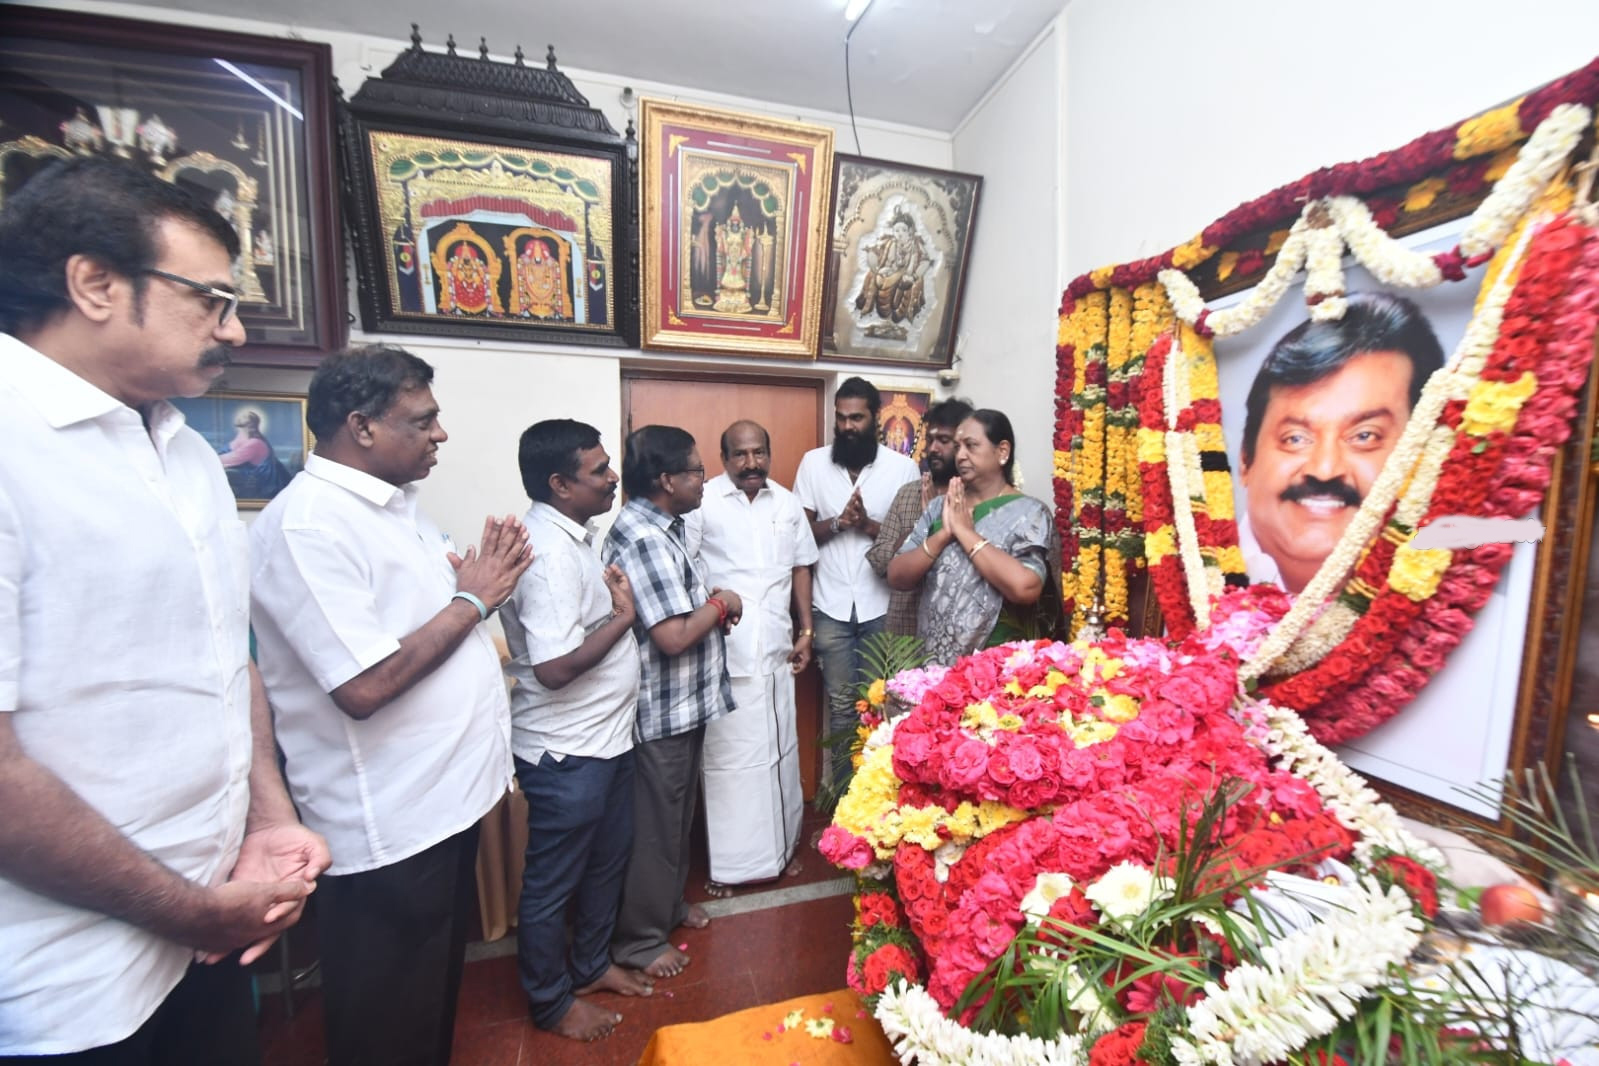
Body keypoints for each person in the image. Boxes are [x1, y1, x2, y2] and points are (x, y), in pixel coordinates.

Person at [0, 157, 329, 1062]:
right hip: (63, 979)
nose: (234, 328)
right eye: (210, 299)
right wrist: (187, 908)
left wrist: (266, 820)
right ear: (95, 284)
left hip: (210, 925)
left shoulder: (184, 451)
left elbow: (228, 660)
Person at [249, 345, 532, 1066]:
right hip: (389, 825)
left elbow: (424, 623)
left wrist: (467, 591)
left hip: (441, 805)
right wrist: (474, 599)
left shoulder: (396, 508)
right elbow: (364, 685)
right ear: (362, 426)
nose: (440, 434)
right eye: (423, 420)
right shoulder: (309, 525)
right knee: (387, 1022)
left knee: (427, 1004)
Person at [499, 419, 652, 1043]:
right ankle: (549, 1000)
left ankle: (589, 967)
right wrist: (623, 618)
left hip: (605, 742)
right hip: (568, 753)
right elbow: (555, 668)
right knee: (552, 884)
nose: (613, 478)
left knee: (605, 867)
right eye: (599, 470)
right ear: (560, 484)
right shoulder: (549, 554)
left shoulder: (574, 537)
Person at [603, 426, 740, 980]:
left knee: (677, 815)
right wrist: (723, 603)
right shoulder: (645, 539)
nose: (705, 480)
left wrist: (709, 605)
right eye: (697, 471)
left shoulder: (669, 527)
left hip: (684, 702)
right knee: (656, 826)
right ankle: (638, 940)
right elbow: (673, 636)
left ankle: (668, 908)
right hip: (662, 709)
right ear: (666, 480)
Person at [685, 420, 818, 896]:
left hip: (777, 653)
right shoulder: (702, 502)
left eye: (759, 452)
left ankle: (782, 851)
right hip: (725, 655)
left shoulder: (785, 503)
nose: (751, 463)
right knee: (730, 764)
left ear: (769, 453)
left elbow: (800, 567)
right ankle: (730, 867)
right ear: (723, 459)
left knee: (779, 756)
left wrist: (806, 631)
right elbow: (686, 567)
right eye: (740, 454)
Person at [1239, 292, 1445, 593]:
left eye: (1365, 436)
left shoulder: (1477, 611)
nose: (1324, 470)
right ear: (1246, 459)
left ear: (1423, 457)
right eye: (1296, 438)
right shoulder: (1189, 584)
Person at [793, 377, 919, 795]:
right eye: (841, 418)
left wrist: (866, 525)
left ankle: (878, 805)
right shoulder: (813, 464)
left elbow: (913, 543)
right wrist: (837, 523)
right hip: (830, 608)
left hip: (883, 607)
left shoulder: (902, 469)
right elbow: (797, 537)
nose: (847, 426)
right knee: (842, 709)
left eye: (857, 418)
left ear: (875, 419)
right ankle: (844, 803)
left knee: (883, 708)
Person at [888, 410, 1057, 665]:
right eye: (958, 447)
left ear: (1002, 451)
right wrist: (943, 534)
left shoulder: (1030, 513)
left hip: (996, 667)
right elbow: (897, 575)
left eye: (971, 445)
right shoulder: (939, 507)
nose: (960, 455)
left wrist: (965, 532)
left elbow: (1026, 587)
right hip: (933, 665)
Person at [867, 398, 974, 637]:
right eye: (930, 439)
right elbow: (878, 559)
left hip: (958, 634)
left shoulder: (975, 498)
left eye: (943, 441)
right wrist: (923, 523)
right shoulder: (909, 494)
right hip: (905, 632)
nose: (933, 448)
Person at [854, 210, 929, 325]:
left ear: (909, 231)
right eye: (896, 230)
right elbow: (874, 252)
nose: (900, 233)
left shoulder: (916, 245)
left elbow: (925, 261)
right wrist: (878, 268)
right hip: (890, 273)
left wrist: (914, 276)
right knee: (874, 277)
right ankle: (870, 306)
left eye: (903, 230)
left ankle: (898, 313)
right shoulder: (890, 243)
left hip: (907, 276)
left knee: (903, 286)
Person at [219, 408, 294, 499]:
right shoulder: (242, 439)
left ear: (250, 425)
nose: (239, 418)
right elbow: (229, 450)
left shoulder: (255, 443)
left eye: (244, 417)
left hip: (263, 484)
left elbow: (232, 458)